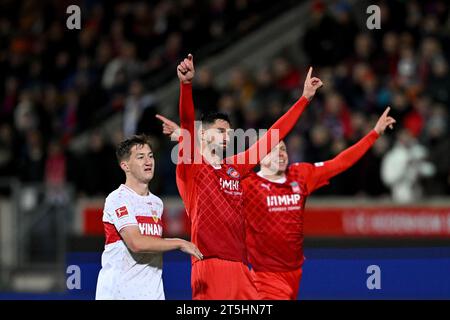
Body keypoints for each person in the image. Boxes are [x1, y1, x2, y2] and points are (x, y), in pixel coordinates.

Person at [157, 107, 396, 300]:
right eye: (273, 149)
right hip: (260, 275)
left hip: (293, 273)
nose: (280, 152)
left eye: (283, 148)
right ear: (260, 158)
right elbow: (199, 153)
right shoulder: (247, 181)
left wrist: (373, 133)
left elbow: (338, 163)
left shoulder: (301, 175)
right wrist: (185, 135)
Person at [157, 53, 323, 300]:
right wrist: (186, 85)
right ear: (202, 135)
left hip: (241, 266)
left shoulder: (234, 167)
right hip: (209, 265)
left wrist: (304, 99)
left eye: (229, 132)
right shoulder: (193, 165)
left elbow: (272, 136)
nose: (226, 136)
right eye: (220, 131)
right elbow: (187, 121)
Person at [95, 134, 203, 300]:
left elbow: (152, 244)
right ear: (125, 166)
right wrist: (179, 243)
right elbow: (136, 243)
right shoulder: (117, 199)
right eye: (140, 157)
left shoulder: (156, 203)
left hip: (153, 294)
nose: (148, 161)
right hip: (119, 294)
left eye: (150, 156)